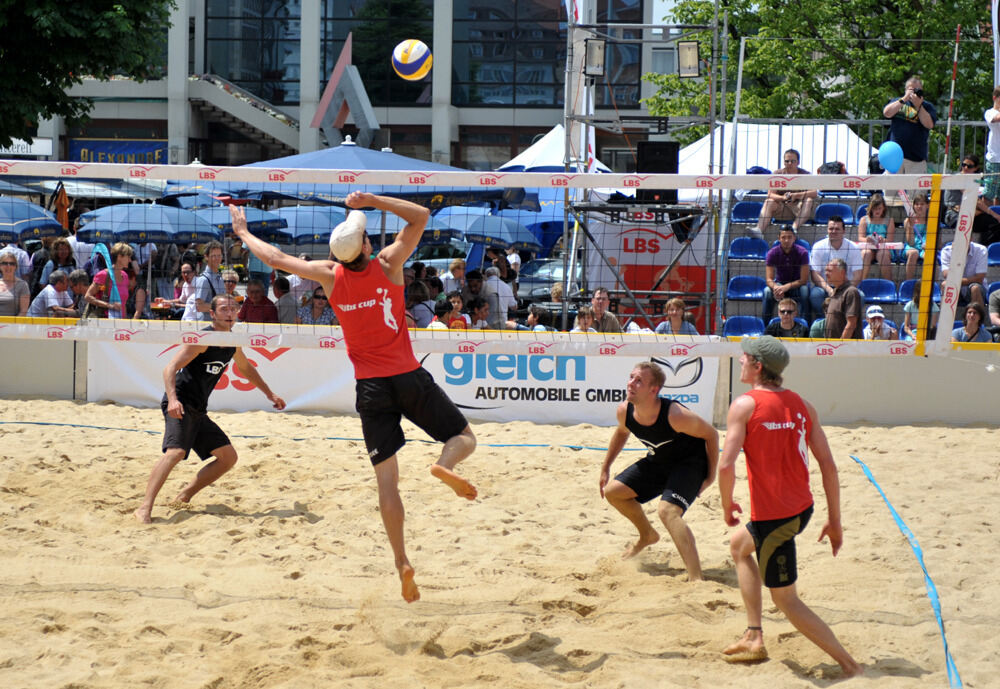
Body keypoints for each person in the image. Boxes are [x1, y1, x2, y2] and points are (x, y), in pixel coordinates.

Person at [230, 193, 478, 604]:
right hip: (407, 375)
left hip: (371, 387)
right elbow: (420, 217)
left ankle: (401, 561)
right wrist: (372, 200)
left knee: (387, 483)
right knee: (464, 437)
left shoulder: (330, 276)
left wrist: (242, 231)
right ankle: (443, 464)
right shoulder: (388, 264)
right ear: (365, 246)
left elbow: (274, 258)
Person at [718, 336, 861, 676]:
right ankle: (754, 634)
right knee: (740, 546)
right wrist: (834, 520)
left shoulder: (745, 405)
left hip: (775, 517)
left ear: (757, 366)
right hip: (802, 508)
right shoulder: (803, 404)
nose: (740, 360)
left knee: (786, 600)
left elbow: (725, 466)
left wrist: (727, 505)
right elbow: (828, 465)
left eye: (745, 357)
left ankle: (851, 667)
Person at [133, 294, 286, 524]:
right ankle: (144, 508)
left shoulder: (232, 342)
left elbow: (246, 369)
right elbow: (169, 368)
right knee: (175, 453)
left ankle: (184, 495)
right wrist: (173, 400)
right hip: (181, 401)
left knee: (228, 457)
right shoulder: (203, 338)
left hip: (198, 408)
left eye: (233, 309)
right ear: (212, 314)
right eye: (224, 309)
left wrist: (269, 393)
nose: (230, 313)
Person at [599, 361, 718, 581]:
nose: (631, 383)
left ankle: (696, 578)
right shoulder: (625, 410)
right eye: (631, 377)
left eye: (639, 381)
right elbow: (622, 432)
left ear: (654, 390)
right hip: (659, 461)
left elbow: (711, 434)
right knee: (613, 492)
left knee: (667, 511)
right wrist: (606, 467)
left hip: (689, 464)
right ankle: (647, 535)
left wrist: (711, 475)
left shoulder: (675, 414)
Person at [882, 75, 937, 202]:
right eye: (912, 90)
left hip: (916, 157)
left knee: (917, 198)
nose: (915, 93)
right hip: (894, 158)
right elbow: (887, 113)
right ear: (906, 89)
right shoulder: (898, 102)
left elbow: (929, 124)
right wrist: (904, 99)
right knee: (890, 196)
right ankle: (893, 221)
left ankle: (915, 221)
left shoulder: (927, 106)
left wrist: (919, 106)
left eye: (918, 90)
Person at [752, 149, 817, 238]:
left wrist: (796, 196)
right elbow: (770, 194)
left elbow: (814, 193)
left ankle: (794, 228)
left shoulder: (806, 174)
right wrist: (783, 198)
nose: (789, 163)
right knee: (769, 201)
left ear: (798, 162)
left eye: (792, 161)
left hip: (799, 209)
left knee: (809, 200)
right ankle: (759, 230)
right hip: (782, 208)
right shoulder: (777, 174)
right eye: (787, 161)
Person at [808, 216, 862, 318]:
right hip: (825, 287)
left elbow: (858, 275)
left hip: (847, 286)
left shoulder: (853, 247)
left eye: (837, 229)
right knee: (815, 295)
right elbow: (815, 275)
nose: (833, 231)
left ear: (844, 231)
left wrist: (844, 290)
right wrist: (829, 290)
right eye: (831, 229)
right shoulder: (818, 246)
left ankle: (848, 321)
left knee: (860, 296)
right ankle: (824, 320)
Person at [941, 154, 1000, 245]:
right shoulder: (958, 178)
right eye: (963, 165)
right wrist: (994, 214)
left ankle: (984, 250)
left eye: (969, 166)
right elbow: (975, 199)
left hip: (968, 212)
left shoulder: (973, 180)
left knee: (994, 224)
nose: (965, 168)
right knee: (969, 226)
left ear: (976, 168)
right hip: (954, 214)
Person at [763, 225, 810, 322]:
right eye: (783, 237)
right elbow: (769, 279)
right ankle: (766, 325)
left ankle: (806, 324)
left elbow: (804, 280)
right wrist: (776, 288)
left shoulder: (803, 253)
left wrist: (787, 286)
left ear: (794, 238)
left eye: (789, 237)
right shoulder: (772, 253)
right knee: (767, 292)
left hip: (797, 286)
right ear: (779, 238)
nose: (786, 240)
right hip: (780, 284)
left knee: (805, 291)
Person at [84, 242, 133, 318]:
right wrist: (109, 305)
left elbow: (123, 305)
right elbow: (88, 296)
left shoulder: (125, 276)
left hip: (121, 322)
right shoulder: (103, 275)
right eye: (128, 257)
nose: (130, 260)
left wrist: (125, 322)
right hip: (105, 321)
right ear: (120, 257)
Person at [857, 193, 897, 281]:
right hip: (869, 247)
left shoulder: (889, 221)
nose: (877, 211)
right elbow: (860, 238)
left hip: (884, 248)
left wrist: (883, 240)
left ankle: (889, 284)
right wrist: (867, 239)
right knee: (865, 254)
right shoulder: (864, 220)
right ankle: (860, 283)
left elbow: (890, 240)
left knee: (882, 254)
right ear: (871, 208)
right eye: (875, 208)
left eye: (879, 208)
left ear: (884, 208)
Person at [823, 258, 864, 339]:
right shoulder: (835, 292)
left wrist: (841, 345)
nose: (826, 274)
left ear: (842, 273)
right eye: (826, 270)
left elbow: (851, 323)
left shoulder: (851, 292)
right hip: (834, 347)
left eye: (830, 271)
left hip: (847, 348)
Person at [184, 241, 225, 321]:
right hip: (207, 326)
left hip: (219, 324)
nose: (217, 258)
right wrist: (221, 306)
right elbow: (200, 307)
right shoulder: (203, 280)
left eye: (219, 255)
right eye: (213, 256)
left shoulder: (220, 278)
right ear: (206, 257)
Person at [940, 240, 988, 308]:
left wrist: (956, 281)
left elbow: (979, 279)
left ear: (971, 238)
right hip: (956, 288)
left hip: (975, 288)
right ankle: (945, 317)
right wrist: (956, 256)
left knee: (975, 288)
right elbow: (946, 275)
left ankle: (978, 317)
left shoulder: (981, 250)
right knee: (945, 285)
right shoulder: (947, 251)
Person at [903, 193, 931, 282]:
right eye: (917, 204)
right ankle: (908, 283)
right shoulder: (908, 220)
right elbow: (910, 242)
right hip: (912, 247)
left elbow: (939, 243)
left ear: (927, 205)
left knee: (930, 255)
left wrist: (929, 245)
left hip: (927, 248)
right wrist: (911, 226)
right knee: (913, 253)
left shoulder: (932, 221)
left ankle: (928, 284)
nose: (919, 206)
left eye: (922, 204)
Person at [0, 248, 30, 317]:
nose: (8, 266)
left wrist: (11, 326)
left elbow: (23, 311)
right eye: (4, 263)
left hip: (12, 325)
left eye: (12, 263)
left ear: (16, 267)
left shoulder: (22, 285)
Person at [984, 87, 1000, 206]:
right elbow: (995, 119)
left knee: (998, 194)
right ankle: (985, 219)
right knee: (989, 193)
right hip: (995, 159)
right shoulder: (990, 112)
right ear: (995, 98)